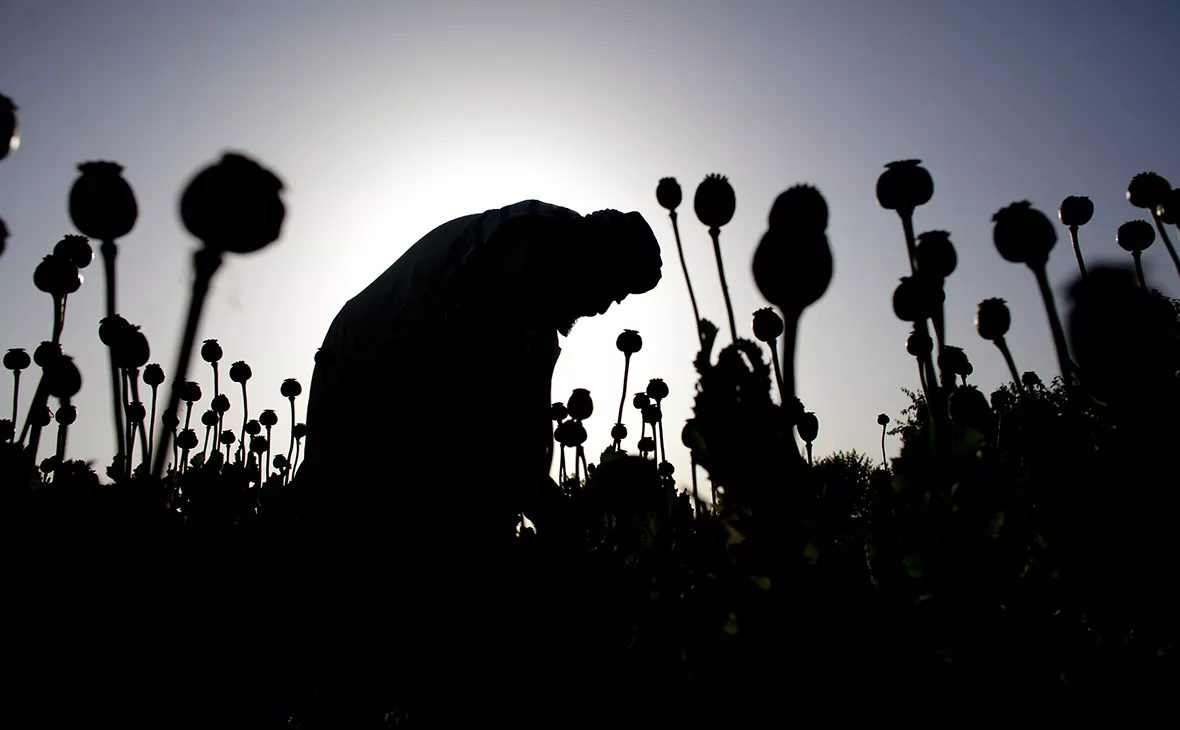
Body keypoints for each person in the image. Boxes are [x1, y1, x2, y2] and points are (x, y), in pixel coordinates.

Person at [274, 200, 662, 719]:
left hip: (398, 380)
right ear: (596, 249)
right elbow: (483, 408)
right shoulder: (528, 246)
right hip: (364, 366)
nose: (605, 307)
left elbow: (524, 443)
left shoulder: (537, 322)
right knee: (344, 533)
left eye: (620, 298)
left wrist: (552, 519)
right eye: (614, 286)